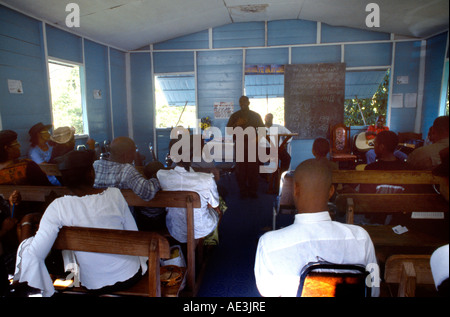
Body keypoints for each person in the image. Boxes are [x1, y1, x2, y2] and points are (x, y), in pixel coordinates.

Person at [13, 150, 147, 297]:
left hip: (93, 284)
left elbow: (35, 254)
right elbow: (134, 237)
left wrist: (26, 224)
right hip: (130, 276)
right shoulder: (115, 195)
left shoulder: (58, 207)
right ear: (91, 173)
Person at [254, 159, 379, 297]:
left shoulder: (269, 244)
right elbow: (373, 291)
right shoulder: (361, 238)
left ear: (295, 189)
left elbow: (268, 293)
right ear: (331, 191)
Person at [157, 135, 222, 243]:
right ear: (192, 155)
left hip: (175, 229)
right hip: (201, 229)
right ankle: (210, 243)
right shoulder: (206, 179)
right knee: (219, 208)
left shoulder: (161, 176)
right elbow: (215, 205)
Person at [93, 137, 162, 229]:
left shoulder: (95, 166)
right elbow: (148, 192)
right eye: (134, 153)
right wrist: (156, 178)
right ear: (126, 155)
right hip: (122, 224)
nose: (135, 156)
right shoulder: (126, 170)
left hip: (97, 220)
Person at [226, 96, 265, 198]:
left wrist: (255, 141)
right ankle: (243, 191)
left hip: (252, 145)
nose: (242, 103)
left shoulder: (255, 115)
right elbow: (229, 131)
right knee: (241, 170)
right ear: (239, 103)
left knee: (253, 169)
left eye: (244, 101)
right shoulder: (235, 116)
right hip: (239, 144)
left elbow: (262, 131)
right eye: (240, 101)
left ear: (249, 102)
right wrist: (236, 124)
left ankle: (252, 191)